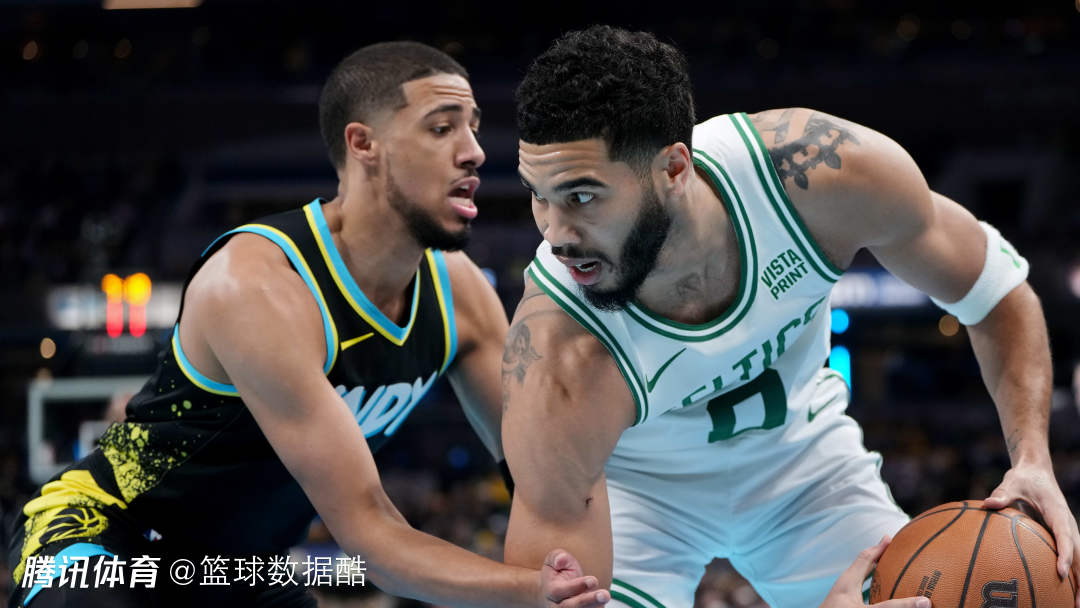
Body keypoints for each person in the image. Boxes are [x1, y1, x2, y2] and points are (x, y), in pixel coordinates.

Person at [7, 42, 608, 608]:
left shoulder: (460, 295)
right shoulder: (256, 284)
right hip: (98, 535)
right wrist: (531, 590)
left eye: (473, 126)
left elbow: (545, 473)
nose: (474, 150)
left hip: (237, 567)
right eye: (442, 127)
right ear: (363, 144)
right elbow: (371, 533)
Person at [500, 25, 1080, 608]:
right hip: (636, 501)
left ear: (674, 169)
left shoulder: (817, 175)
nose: (554, 233)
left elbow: (996, 292)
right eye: (538, 194)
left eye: (581, 197)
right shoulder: (557, 357)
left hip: (805, 470)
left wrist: (1033, 459)